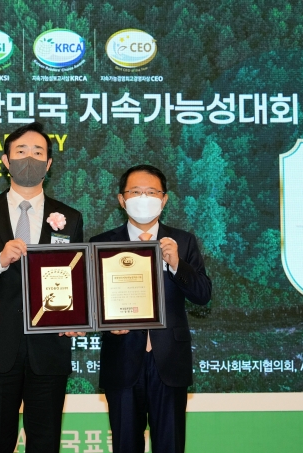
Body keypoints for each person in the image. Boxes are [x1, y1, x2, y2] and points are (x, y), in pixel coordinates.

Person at [0, 122, 84, 453]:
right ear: (6, 161)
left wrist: (77, 316)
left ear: (49, 165)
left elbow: (77, 274)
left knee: (46, 443)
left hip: (48, 350)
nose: (29, 158)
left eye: (38, 153)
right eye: (21, 152)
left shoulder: (69, 216)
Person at [90, 164, 212, 453]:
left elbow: (203, 295)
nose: (143, 198)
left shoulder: (183, 241)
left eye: (151, 192)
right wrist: (105, 323)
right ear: (122, 199)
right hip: (121, 361)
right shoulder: (101, 244)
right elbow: (90, 302)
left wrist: (176, 264)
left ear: (164, 199)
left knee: (170, 445)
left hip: (169, 361)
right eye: (135, 192)